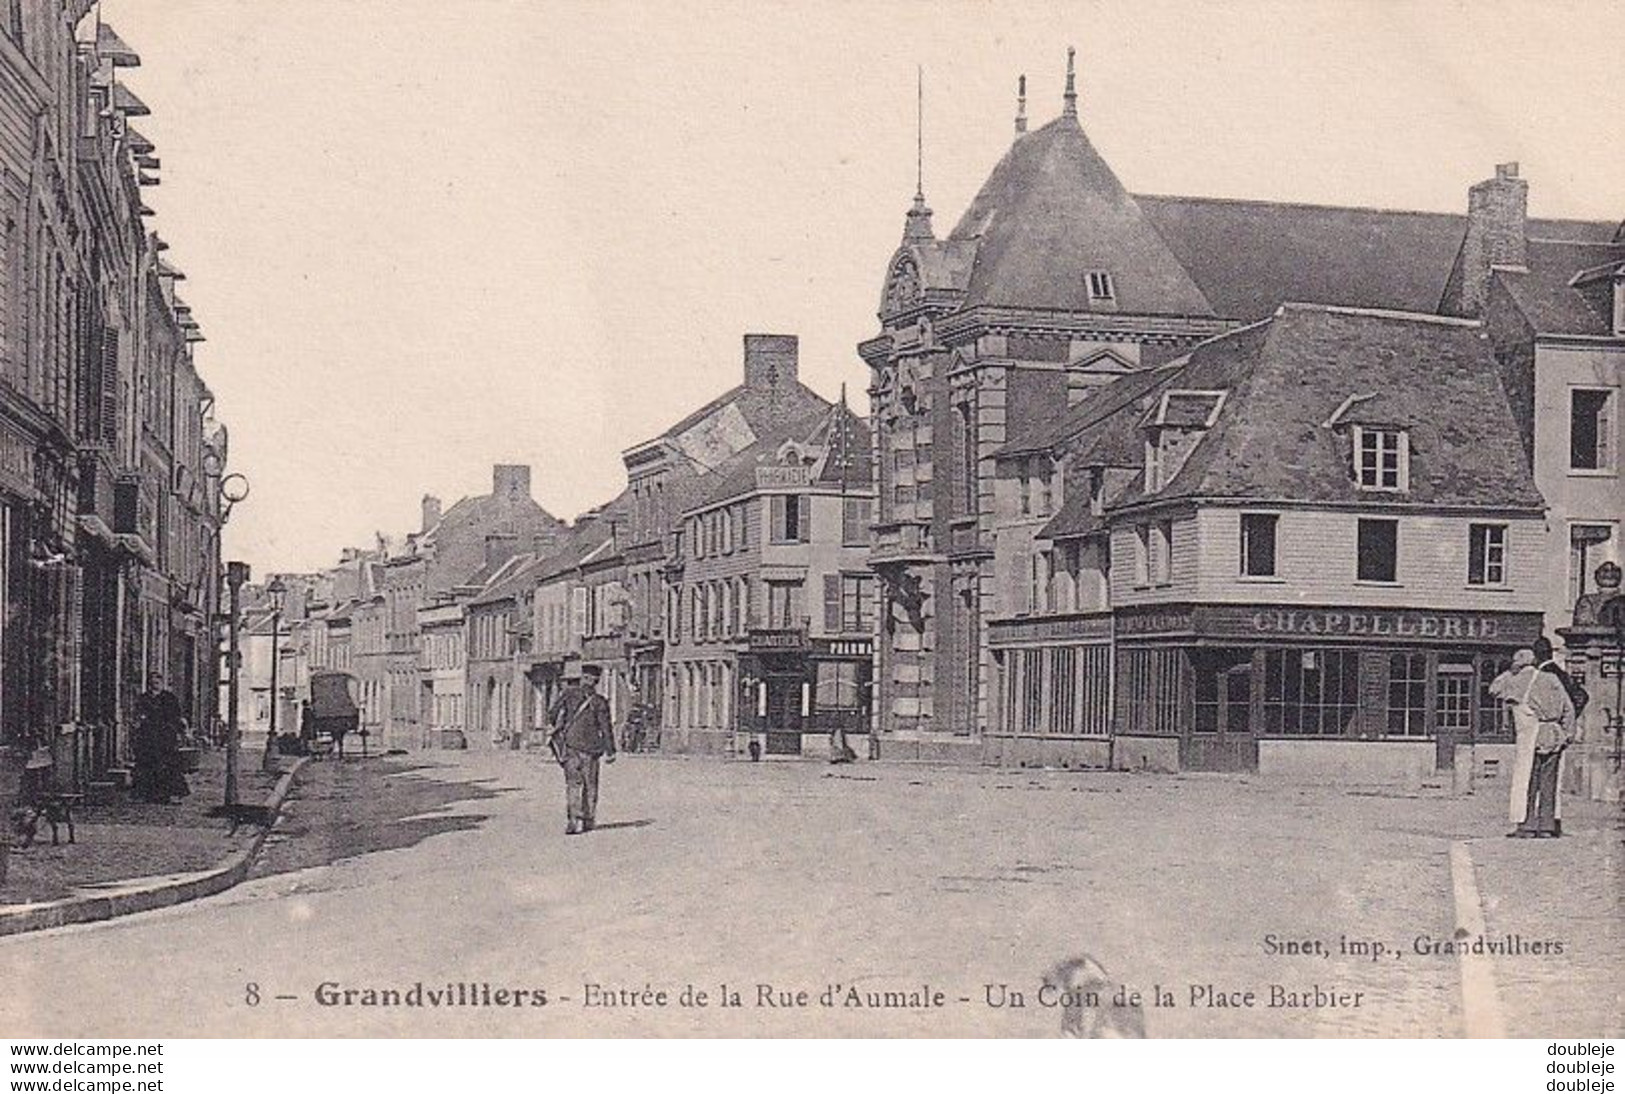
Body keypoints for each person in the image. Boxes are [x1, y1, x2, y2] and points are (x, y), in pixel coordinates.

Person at [546, 665, 616, 835]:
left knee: (572, 784)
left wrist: (560, 727)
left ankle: (572, 819)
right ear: (596, 681)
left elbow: (552, 714)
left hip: (570, 746)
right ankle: (588, 819)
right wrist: (610, 750)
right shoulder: (599, 701)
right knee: (590, 784)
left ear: (582, 678)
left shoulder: (568, 694)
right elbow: (606, 727)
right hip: (590, 750)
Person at [1529, 637, 1583, 837]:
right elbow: (1579, 697)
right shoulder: (1561, 673)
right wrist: (1566, 728)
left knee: (1535, 779)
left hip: (1541, 733)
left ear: (1536, 655)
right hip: (1556, 733)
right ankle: (1549, 823)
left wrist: (1559, 722)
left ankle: (1534, 823)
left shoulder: (1543, 674)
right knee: (1552, 781)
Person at [132, 674, 191, 804]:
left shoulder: (169, 698)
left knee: (167, 766)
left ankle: (167, 794)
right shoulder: (143, 698)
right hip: (148, 737)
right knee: (149, 765)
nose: (154, 685)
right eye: (152, 683)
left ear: (161, 683)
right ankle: (149, 794)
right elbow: (137, 715)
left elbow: (177, 716)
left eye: (157, 683)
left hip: (166, 737)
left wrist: (182, 732)